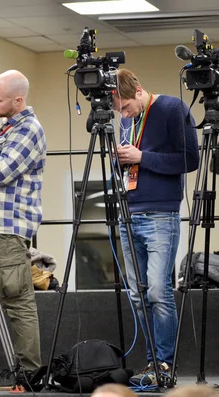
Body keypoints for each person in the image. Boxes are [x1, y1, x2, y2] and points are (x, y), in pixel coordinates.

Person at [113, 69, 199, 386]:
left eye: (125, 107)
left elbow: (190, 160)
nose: (123, 114)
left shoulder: (171, 108)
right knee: (138, 294)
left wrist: (141, 156)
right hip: (129, 213)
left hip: (160, 214)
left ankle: (164, 366)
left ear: (138, 91)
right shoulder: (126, 119)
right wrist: (121, 158)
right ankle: (150, 363)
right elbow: (131, 161)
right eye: (118, 110)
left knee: (160, 293)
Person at [0, 69, 46, 391]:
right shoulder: (9, 126)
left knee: (17, 299)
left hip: (9, 226)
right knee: (9, 297)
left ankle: (28, 372)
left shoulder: (29, 129)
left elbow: (0, 171)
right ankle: (21, 367)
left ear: (18, 100)